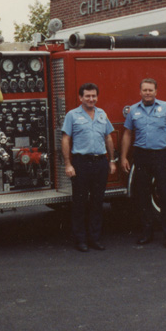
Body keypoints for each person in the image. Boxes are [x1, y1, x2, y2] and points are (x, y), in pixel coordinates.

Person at [121, 78, 166, 248]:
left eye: (150, 90)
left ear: (156, 92)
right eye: (145, 90)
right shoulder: (133, 110)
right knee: (142, 195)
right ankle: (147, 232)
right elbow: (127, 134)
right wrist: (124, 156)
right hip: (141, 156)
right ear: (140, 92)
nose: (147, 93)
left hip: (161, 155)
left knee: (165, 195)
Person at [62, 83, 117, 252]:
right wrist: (68, 163)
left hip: (100, 162)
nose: (91, 99)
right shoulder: (72, 115)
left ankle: (95, 238)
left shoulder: (102, 114)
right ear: (80, 98)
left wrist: (112, 160)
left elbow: (108, 137)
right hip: (81, 163)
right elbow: (65, 139)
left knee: (97, 202)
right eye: (87, 96)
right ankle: (80, 240)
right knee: (79, 203)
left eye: (93, 96)